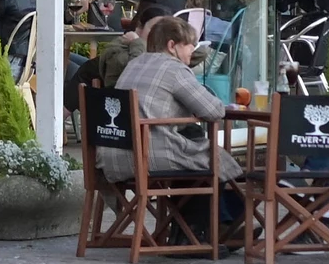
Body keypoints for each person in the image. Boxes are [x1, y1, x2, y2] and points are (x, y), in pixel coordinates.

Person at [97, 17, 241, 236]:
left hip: (113, 157)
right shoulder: (174, 69)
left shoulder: (134, 64)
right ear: (172, 46)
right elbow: (215, 111)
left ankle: (200, 231)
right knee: (213, 159)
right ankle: (193, 236)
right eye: (189, 49)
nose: (190, 56)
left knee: (194, 152)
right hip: (146, 157)